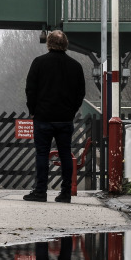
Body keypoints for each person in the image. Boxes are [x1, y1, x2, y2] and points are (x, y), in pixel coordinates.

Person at [23, 29, 86, 202]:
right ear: (65, 44)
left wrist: (33, 110)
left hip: (43, 117)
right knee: (65, 153)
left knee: (42, 154)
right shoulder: (75, 66)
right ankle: (65, 193)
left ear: (48, 43)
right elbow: (80, 93)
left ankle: (40, 191)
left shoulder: (39, 63)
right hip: (65, 119)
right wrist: (71, 111)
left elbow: (30, 89)